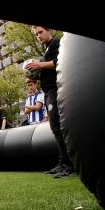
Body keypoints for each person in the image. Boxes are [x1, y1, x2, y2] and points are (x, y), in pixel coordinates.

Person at [26, 26, 73, 178]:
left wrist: (41, 65)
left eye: (40, 32)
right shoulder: (47, 49)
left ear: (50, 31)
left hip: (56, 90)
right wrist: (35, 73)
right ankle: (62, 162)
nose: (38, 36)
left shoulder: (57, 42)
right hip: (49, 93)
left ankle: (67, 165)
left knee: (59, 128)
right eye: (36, 34)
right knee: (55, 128)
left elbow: (62, 61)